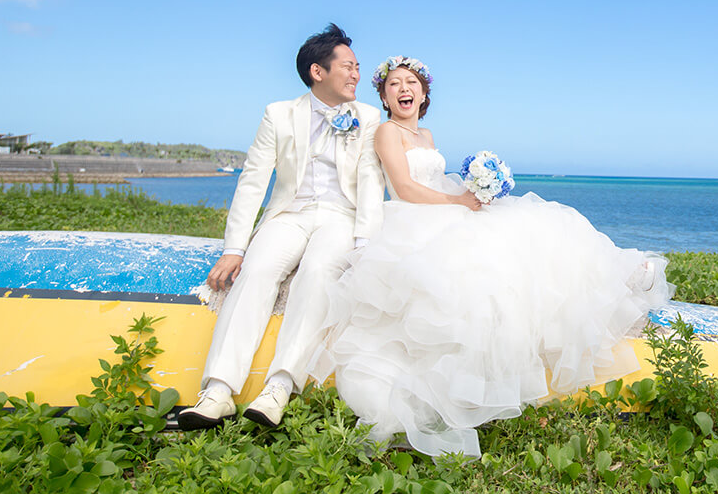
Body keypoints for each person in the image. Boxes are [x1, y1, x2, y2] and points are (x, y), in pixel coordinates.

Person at [305, 56, 672, 457]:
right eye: (394, 84)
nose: (403, 89)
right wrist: (458, 202)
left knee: (538, 223)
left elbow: (433, 181)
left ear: (424, 93)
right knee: (489, 263)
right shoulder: (386, 132)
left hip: (445, 205)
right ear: (384, 95)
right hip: (415, 219)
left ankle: (623, 273)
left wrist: (476, 193)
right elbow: (406, 188)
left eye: (411, 82)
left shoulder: (426, 135)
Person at [178, 24, 384, 430]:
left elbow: (371, 183)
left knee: (319, 271)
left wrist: (364, 243)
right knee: (255, 271)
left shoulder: (369, 117)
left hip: (341, 216)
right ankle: (218, 390)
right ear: (317, 72)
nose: (357, 74)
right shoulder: (278, 114)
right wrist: (234, 247)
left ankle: (279, 386)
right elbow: (253, 180)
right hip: (289, 213)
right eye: (348, 66)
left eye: (358, 66)